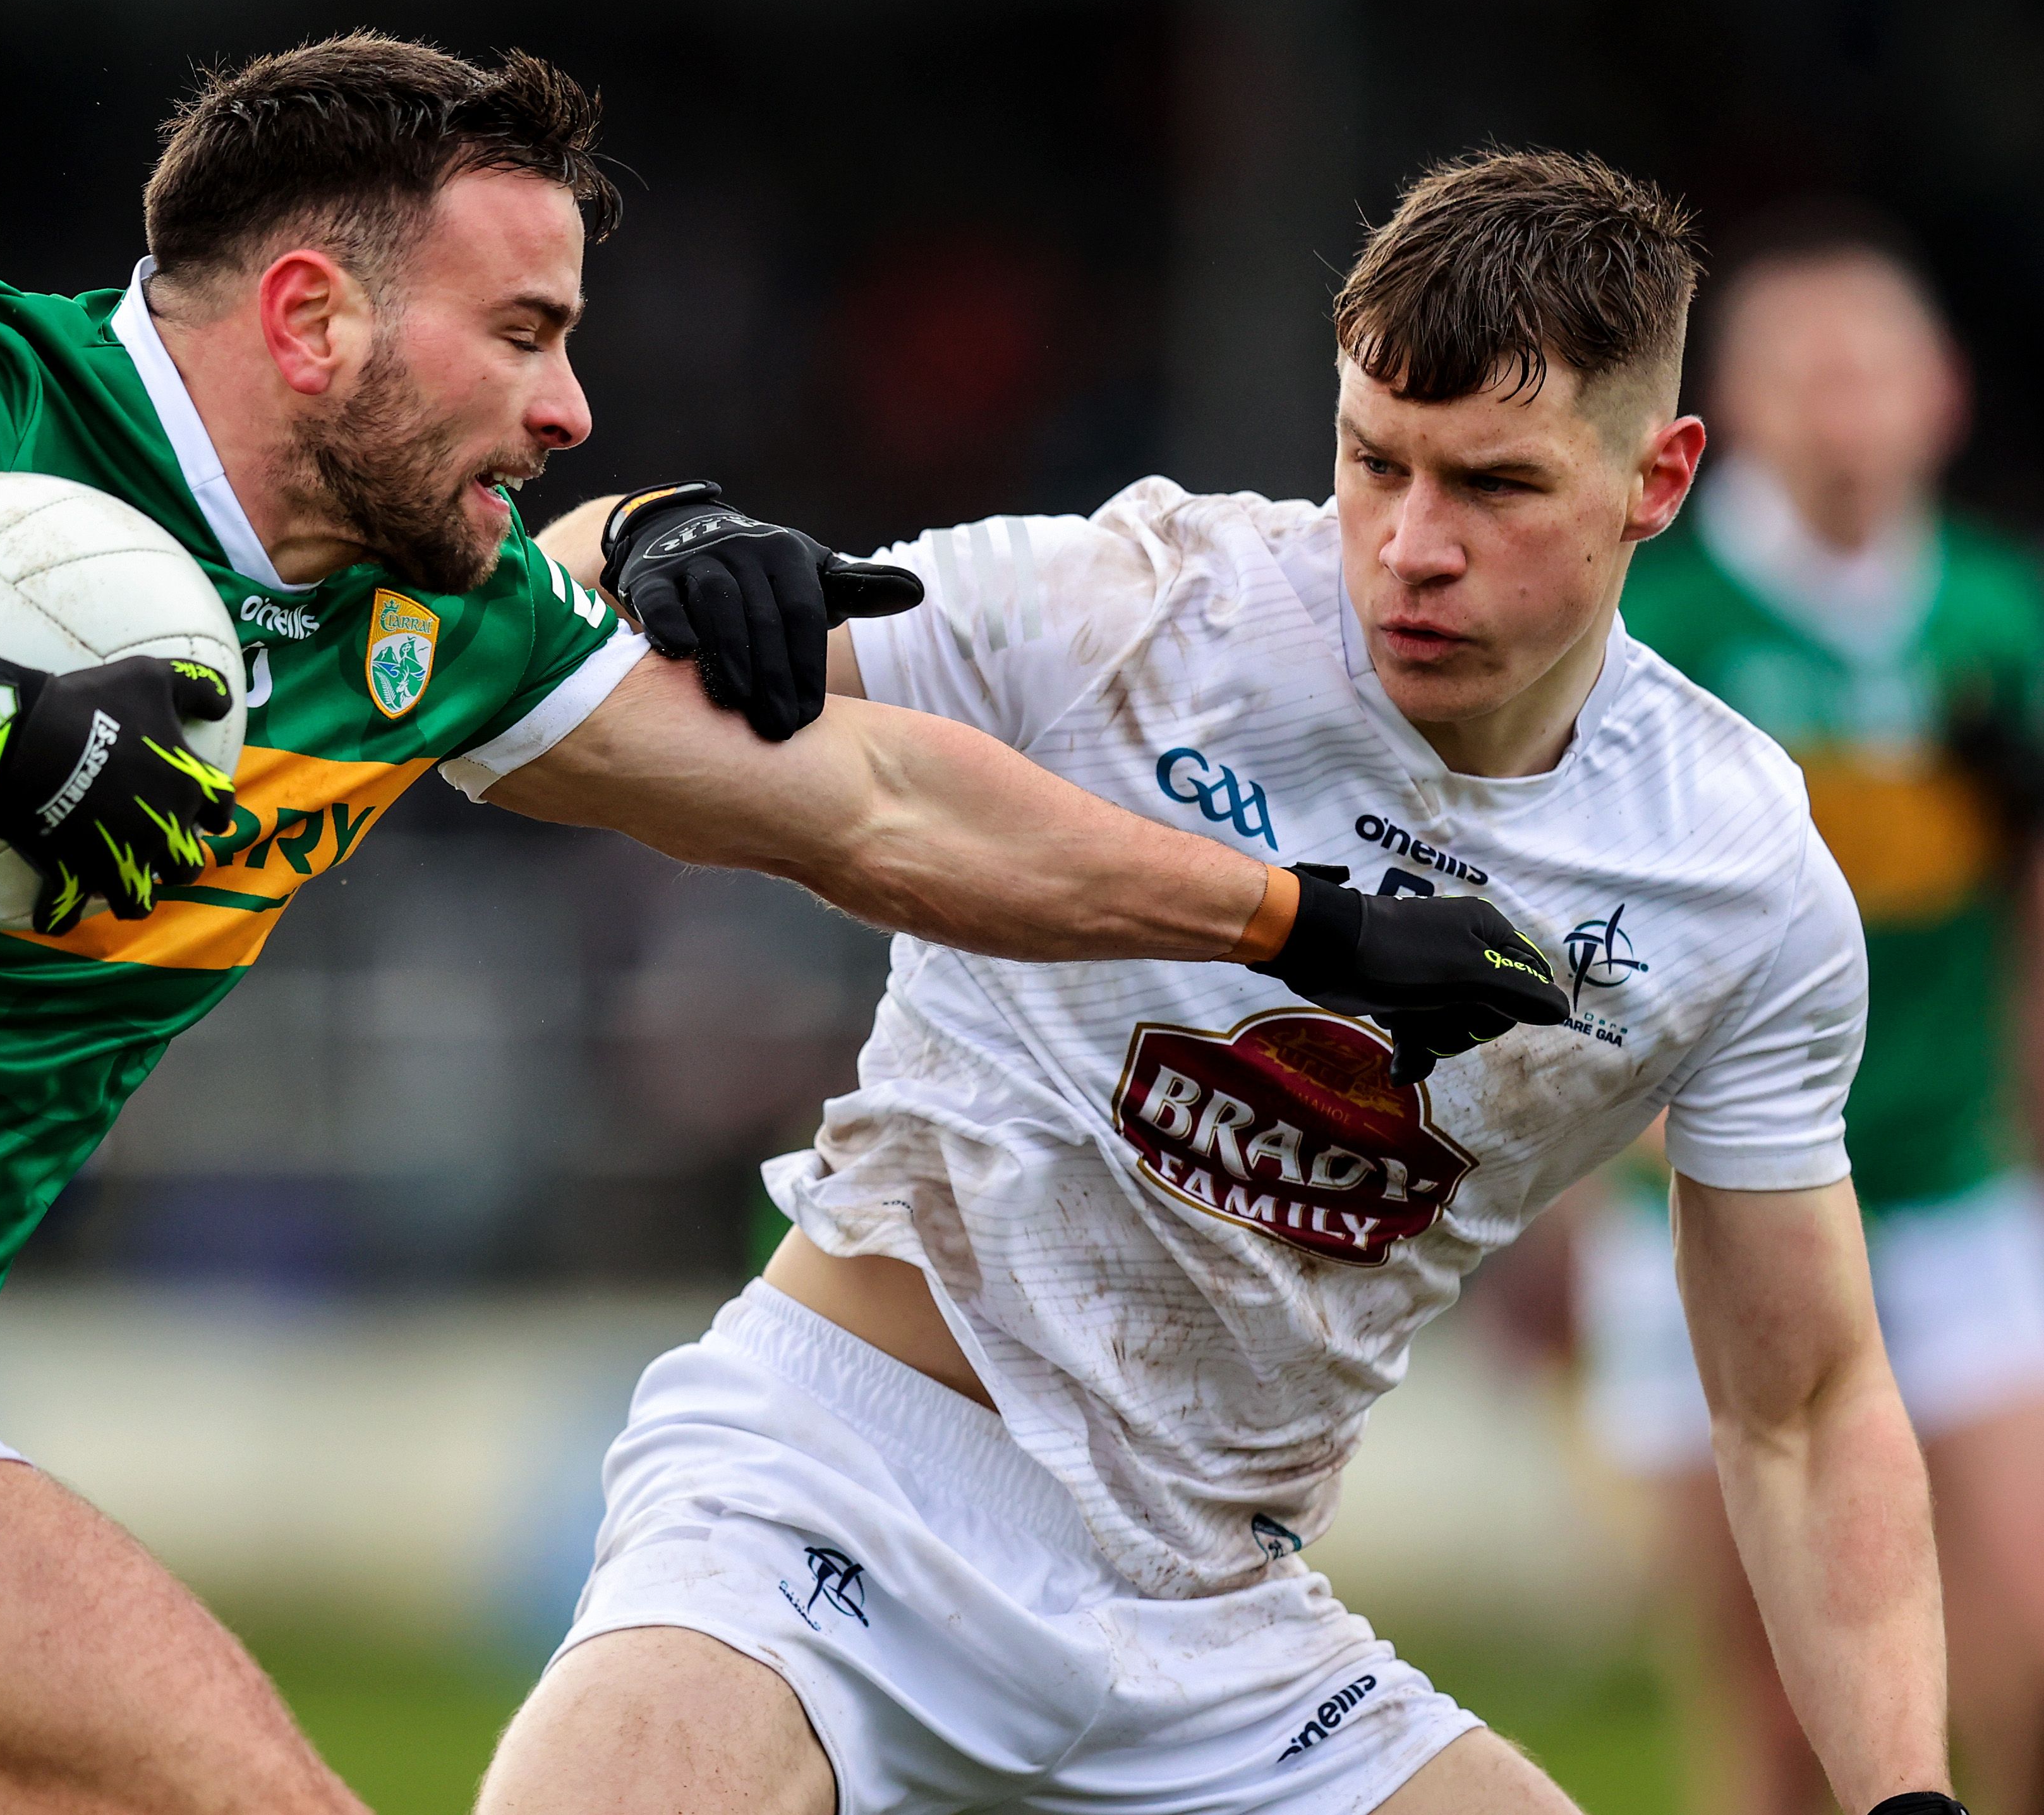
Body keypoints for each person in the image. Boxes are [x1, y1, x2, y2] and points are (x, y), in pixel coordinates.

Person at [0, 36, 1563, 1815]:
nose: (569, 407)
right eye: (521, 334)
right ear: (312, 316)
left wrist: (1293, 918)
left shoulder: (424, 621)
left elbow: (873, 807)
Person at [484, 150, 1961, 1815]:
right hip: (838, 1490)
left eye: (1495, 485)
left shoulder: (1740, 873)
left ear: (1660, 478)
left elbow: (1809, 1403)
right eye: (1372, 461)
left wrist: (1905, 1799)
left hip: (1219, 1621)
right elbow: (539, 649)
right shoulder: (1144, 608)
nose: (1411, 547)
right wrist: (651, 531)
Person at [1575, 212, 2044, 1815]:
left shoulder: (1999, 624)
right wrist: (1608, 1140)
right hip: (1718, 1205)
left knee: (2029, 1654)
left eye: (1874, 370)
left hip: (1949, 1185)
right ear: (1738, 414)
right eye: (1808, 373)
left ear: (1941, 396)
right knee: (1777, 1709)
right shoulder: (1665, 626)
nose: (1846, 407)